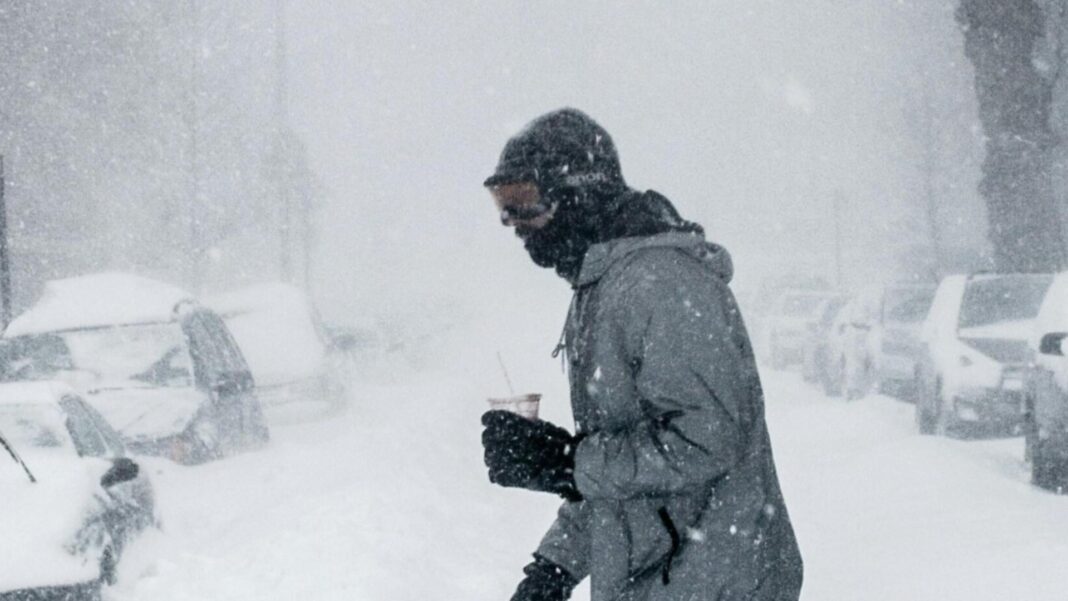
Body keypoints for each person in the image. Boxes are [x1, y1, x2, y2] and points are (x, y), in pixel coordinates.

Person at [480, 108, 804, 601]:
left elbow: (707, 439)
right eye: (504, 207)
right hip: (667, 584)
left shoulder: (661, 284)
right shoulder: (605, 287)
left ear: (578, 195)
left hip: (715, 586)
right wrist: (554, 567)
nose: (514, 224)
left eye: (525, 204)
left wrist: (567, 461)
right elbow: (625, 474)